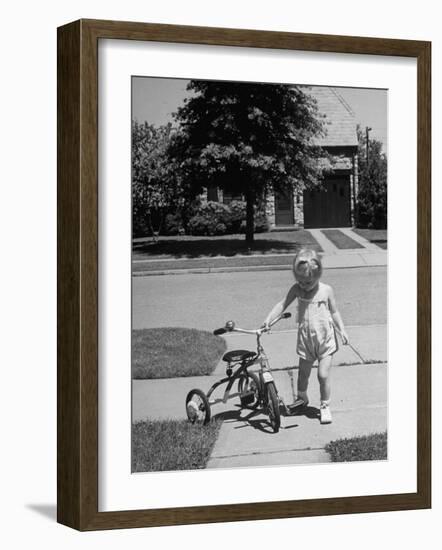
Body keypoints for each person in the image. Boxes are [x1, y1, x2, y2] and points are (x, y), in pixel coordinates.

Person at [263, 248, 348, 424]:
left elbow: (335, 312)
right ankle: (302, 398)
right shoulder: (296, 289)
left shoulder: (326, 290)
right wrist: (268, 320)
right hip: (306, 340)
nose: (303, 285)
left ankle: (324, 406)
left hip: (325, 341)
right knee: (303, 374)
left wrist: (343, 330)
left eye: (308, 282)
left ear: (318, 275)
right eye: (300, 281)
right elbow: (282, 304)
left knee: (323, 375)